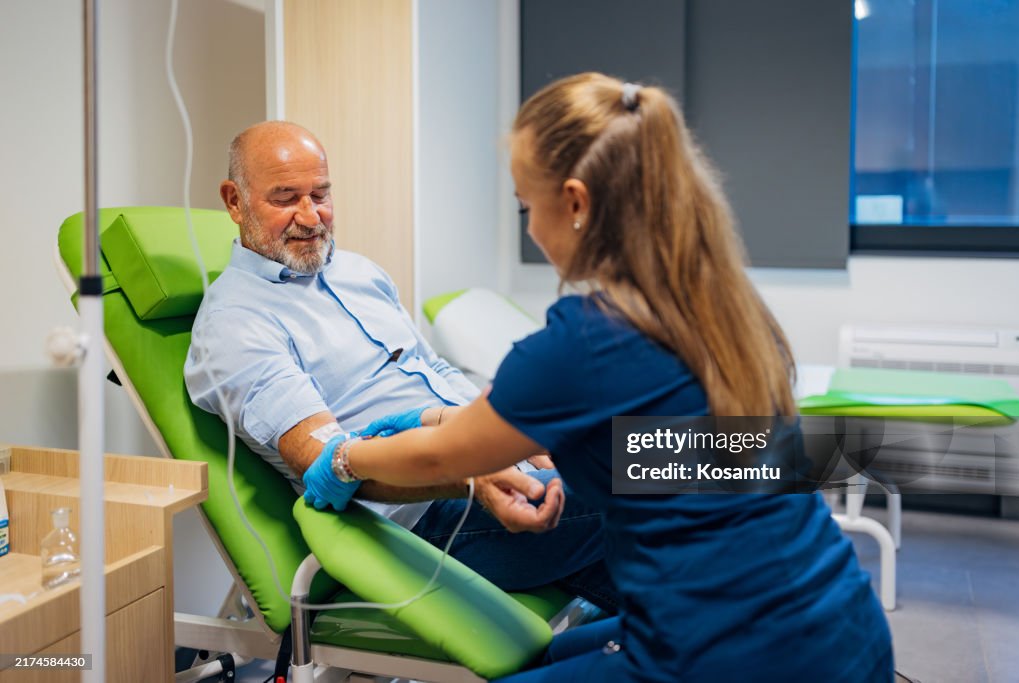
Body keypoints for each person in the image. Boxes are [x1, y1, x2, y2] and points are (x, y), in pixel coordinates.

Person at [302, 74, 894, 682]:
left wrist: (345, 458)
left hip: (739, 656)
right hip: (842, 625)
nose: (529, 227)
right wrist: (583, 465)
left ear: (578, 203)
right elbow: (707, 454)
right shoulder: (721, 308)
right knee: (557, 653)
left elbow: (437, 462)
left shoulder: (583, 343)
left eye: (527, 207)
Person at [183, 120, 616, 613]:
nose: (310, 216)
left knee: (690, 472)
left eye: (320, 194)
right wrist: (472, 477)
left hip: (488, 455)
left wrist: (521, 437)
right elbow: (328, 462)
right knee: (668, 473)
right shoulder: (235, 324)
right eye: (285, 199)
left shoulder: (359, 273)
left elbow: (433, 371)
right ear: (235, 201)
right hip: (425, 517)